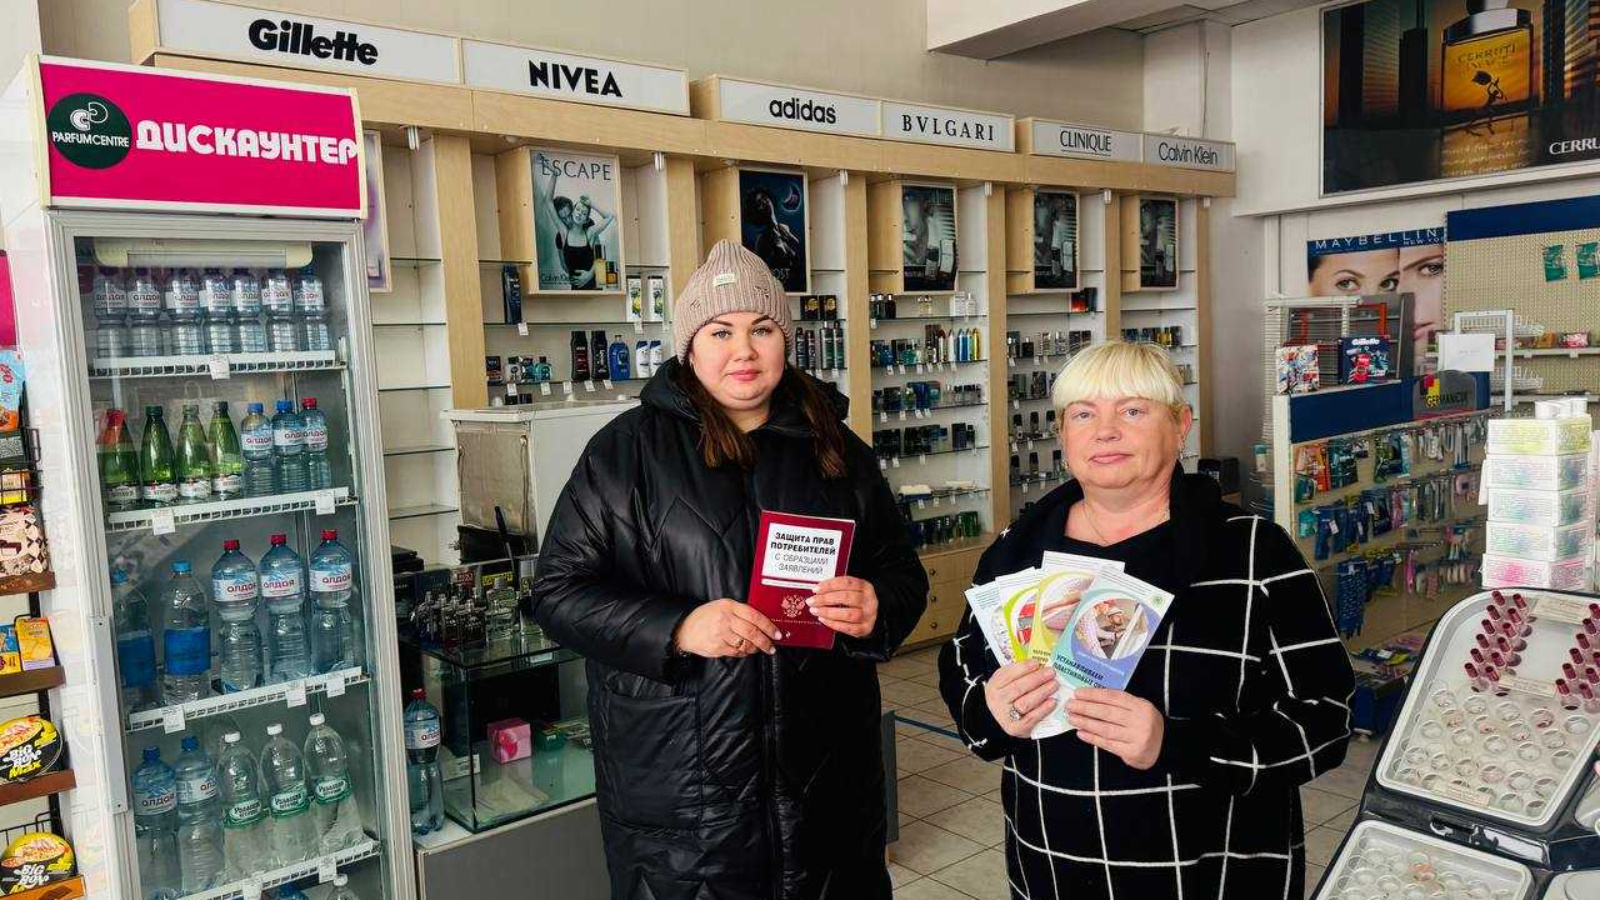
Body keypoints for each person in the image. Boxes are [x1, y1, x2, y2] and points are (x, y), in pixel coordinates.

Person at [530, 239, 929, 900]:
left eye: (761, 329)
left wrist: (876, 604)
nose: (743, 350)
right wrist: (678, 628)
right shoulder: (624, 454)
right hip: (684, 796)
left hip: (824, 786)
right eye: (721, 331)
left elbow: (901, 573)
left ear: (786, 341)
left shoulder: (838, 449)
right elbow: (557, 593)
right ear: (690, 346)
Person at [937, 341, 1355, 900]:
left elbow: (1324, 718)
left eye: (1132, 410)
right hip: (1053, 869)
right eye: (1083, 414)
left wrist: (1177, 744)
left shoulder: (1253, 552)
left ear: (1180, 425)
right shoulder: (1018, 552)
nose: (1105, 431)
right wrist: (988, 711)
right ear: (1062, 434)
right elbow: (960, 669)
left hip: (1213, 872)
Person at [743, 187, 802, 288]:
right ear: (756, 210)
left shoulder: (784, 228)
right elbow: (759, 275)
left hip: (797, 285)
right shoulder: (762, 238)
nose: (764, 202)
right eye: (759, 203)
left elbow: (801, 255)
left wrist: (790, 236)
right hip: (778, 289)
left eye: (764, 198)